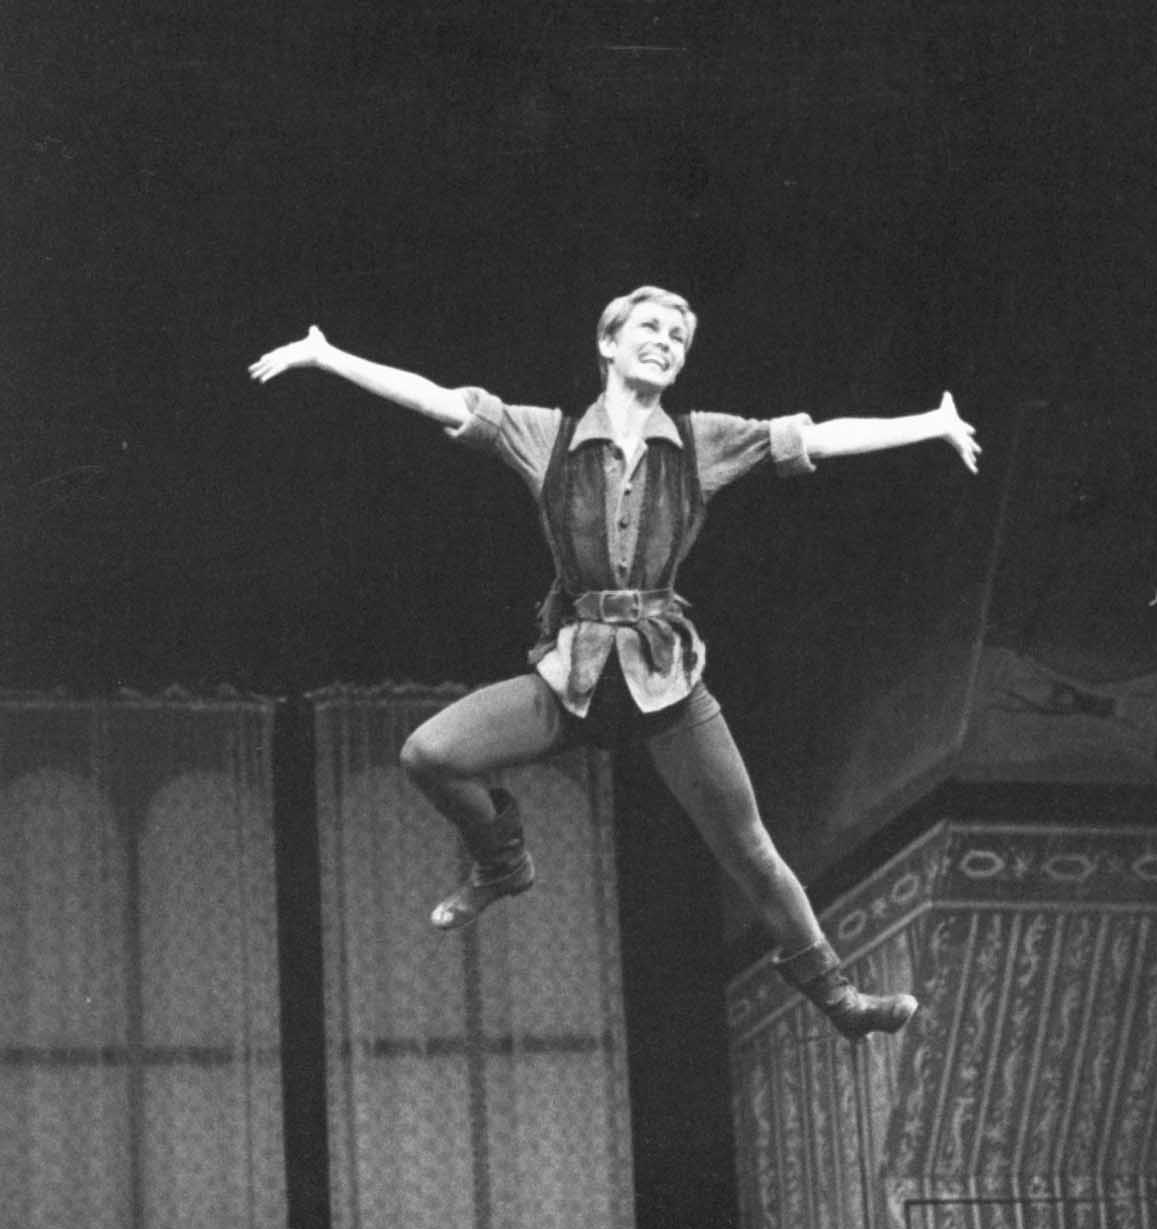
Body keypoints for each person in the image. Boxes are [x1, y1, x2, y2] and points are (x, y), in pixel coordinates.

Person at [252, 287, 979, 1040]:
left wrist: (930, 423)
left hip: (664, 676)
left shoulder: (704, 442)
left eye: (678, 336)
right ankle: (502, 863)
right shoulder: (548, 437)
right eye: (650, 328)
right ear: (608, 343)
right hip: (576, 672)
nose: (665, 340)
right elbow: (438, 401)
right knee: (429, 753)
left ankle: (841, 1000)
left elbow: (818, 438)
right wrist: (328, 356)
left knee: (751, 847)